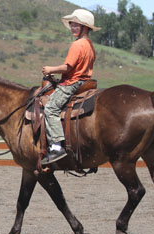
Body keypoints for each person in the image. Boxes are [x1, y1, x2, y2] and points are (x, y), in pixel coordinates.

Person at [41, 9, 100, 164]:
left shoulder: (77, 45)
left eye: (76, 25)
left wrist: (51, 69)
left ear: (85, 27)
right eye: (72, 24)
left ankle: (57, 146)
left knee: (51, 109)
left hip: (72, 83)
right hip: (85, 82)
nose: (73, 27)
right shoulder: (90, 45)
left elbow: (68, 67)